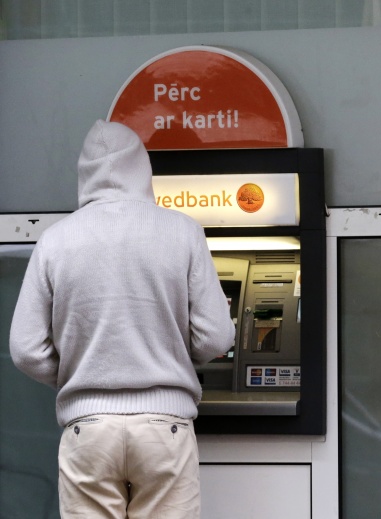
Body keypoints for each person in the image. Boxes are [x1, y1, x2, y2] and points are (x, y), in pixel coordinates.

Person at [9, 119, 235, 518]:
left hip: (88, 429)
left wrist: (80, 369)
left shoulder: (55, 240)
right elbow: (216, 336)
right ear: (142, 170)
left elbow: (26, 349)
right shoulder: (183, 231)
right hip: (165, 428)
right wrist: (171, 352)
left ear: (84, 173)